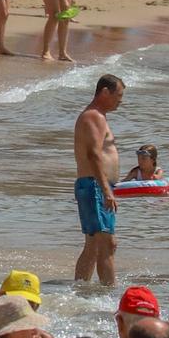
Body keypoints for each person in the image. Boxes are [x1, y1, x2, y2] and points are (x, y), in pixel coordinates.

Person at [72, 74, 124, 285]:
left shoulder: (96, 116)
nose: (121, 101)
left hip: (96, 185)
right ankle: (109, 297)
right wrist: (105, 190)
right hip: (95, 185)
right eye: (118, 96)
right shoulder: (94, 116)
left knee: (94, 245)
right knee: (107, 244)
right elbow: (94, 154)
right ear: (104, 92)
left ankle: (81, 290)